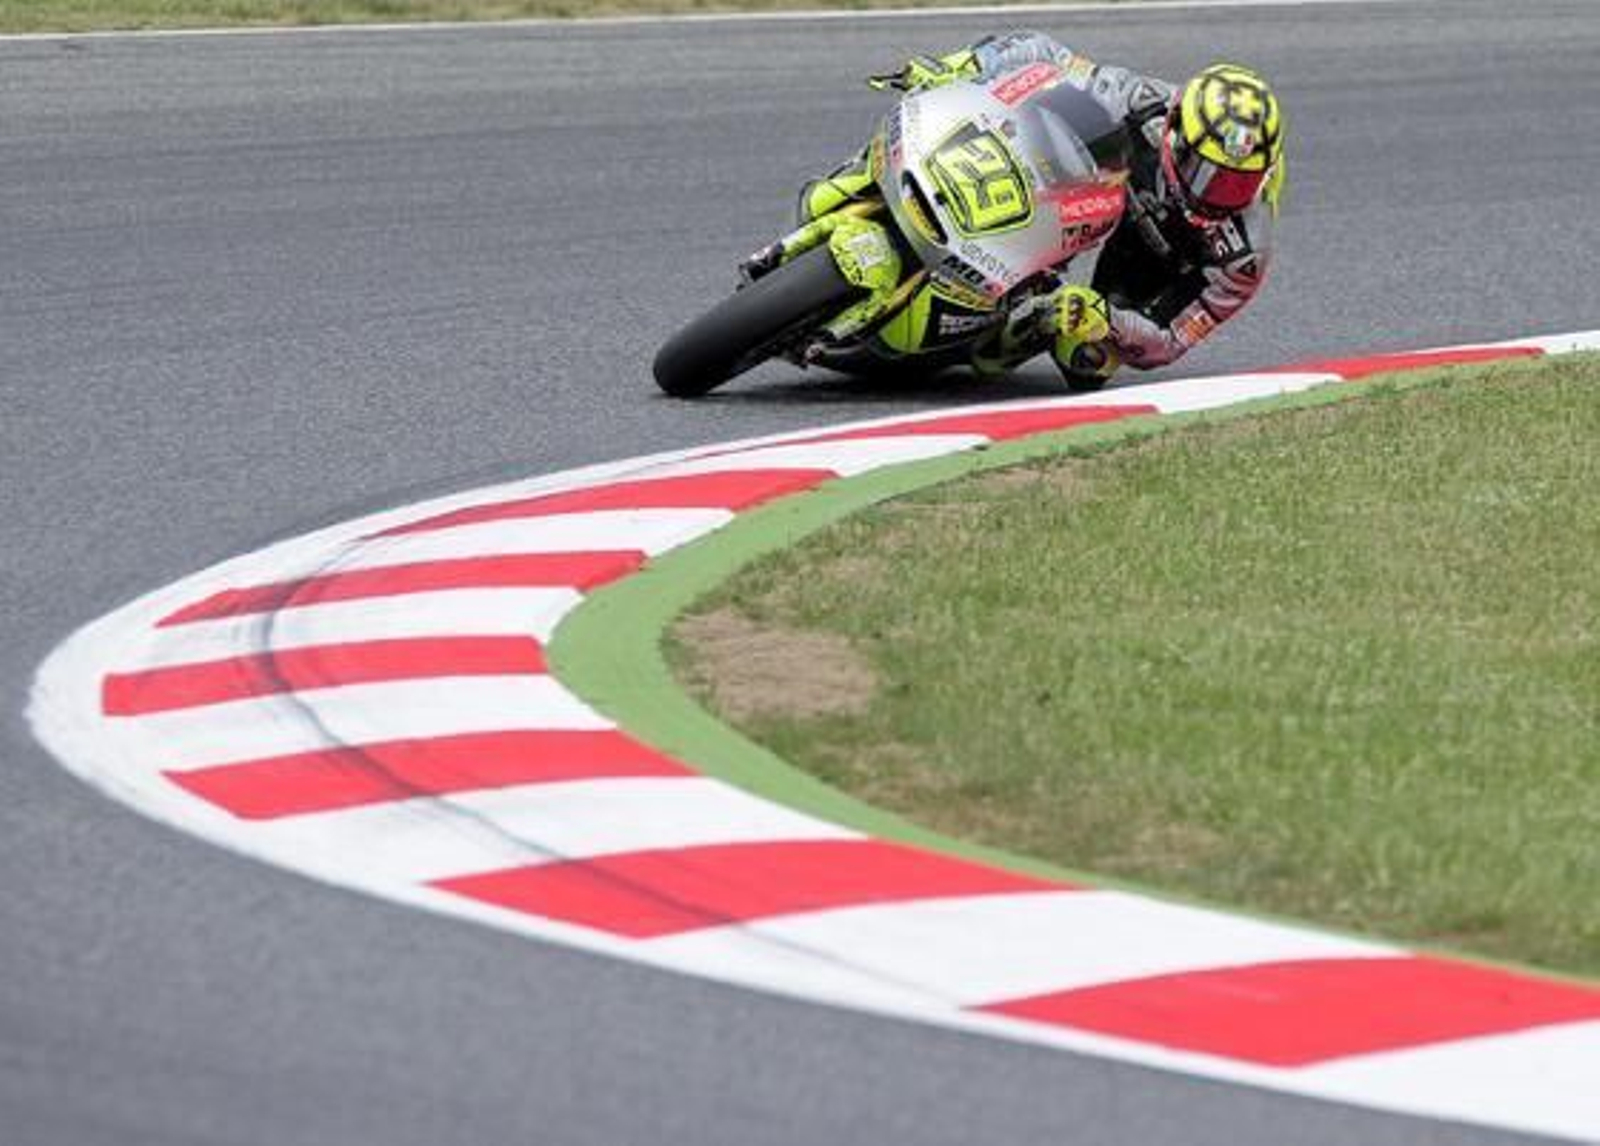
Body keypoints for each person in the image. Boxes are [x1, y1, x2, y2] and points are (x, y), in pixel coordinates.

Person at [795, 31, 1285, 390]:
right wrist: (960, 66)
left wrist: (1109, 320)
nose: (1214, 191)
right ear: (1176, 132)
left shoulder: (1243, 257)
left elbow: (1172, 339)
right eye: (1204, 169)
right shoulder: (1143, 103)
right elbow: (1044, 56)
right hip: (1089, 190)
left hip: (1153, 256)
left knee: (1088, 360)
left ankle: (1003, 328)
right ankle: (867, 183)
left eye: (1236, 181)